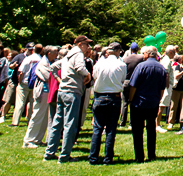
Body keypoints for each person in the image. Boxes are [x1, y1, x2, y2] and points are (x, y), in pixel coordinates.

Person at [44, 35, 92, 163]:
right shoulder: (78, 54)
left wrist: (59, 80)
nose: (88, 47)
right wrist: (88, 74)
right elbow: (79, 68)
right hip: (72, 92)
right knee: (70, 124)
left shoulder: (67, 56)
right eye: (87, 44)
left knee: (57, 123)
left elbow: (53, 67)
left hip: (62, 91)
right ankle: (64, 155)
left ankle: (49, 153)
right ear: (80, 44)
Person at [127, 45, 169, 162]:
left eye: (144, 53)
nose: (143, 55)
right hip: (153, 103)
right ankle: (151, 155)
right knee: (151, 130)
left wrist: (130, 99)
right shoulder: (161, 68)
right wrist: (158, 99)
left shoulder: (140, 66)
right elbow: (162, 88)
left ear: (148, 54)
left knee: (137, 131)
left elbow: (133, 85)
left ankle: (139, 156)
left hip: (139, 103)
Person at [89, 43, 127, 165]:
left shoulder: (99, 63)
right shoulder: (121, 64)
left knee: (97, 128)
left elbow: (95, 77)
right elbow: (122, 79)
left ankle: (93, 157)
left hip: (99, 95)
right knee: (111, 129)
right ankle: (108, 158)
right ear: (117, 51)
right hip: (114, 97)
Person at [23, 46, 57, 147]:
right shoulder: (43, 63)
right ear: (49, 53)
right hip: (42, 92)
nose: (57, 53)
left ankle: (38, 139)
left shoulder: (50, 62)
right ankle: (28, 140)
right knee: (37, 115)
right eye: (55, 52)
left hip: (48, 92)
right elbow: (48, 77)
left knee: (44, 117)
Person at [156, 45, 177, 133]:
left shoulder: (166, 59)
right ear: (171, 52)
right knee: (161, 105)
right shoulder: (167, 61)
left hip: (165, 85)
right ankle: (157, 124)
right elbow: (166, 74)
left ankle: (158, 123)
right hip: (165, 86)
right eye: (174, 53)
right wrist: (166, 86)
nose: (175, 55)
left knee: (162, 105)